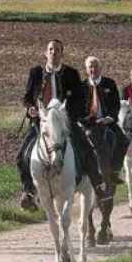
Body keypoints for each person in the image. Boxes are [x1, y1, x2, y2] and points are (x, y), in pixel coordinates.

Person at [17, 40, 107, 211]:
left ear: (62, 54)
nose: (54, 53)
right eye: (51, 50)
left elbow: (80, 100)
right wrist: (31, 109)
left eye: (57, 50)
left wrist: (66, 115)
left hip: (65, 123)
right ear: (46, 53)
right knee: (22, 154)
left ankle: (98, 184)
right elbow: (27, 97)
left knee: (86, 146)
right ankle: (28, 191)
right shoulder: (36, 73)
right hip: (41, 123)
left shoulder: (71, 74)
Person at [82, 56, 126, 184]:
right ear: (86, 69)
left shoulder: (109, 83)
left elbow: (116, 104)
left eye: (95, 66)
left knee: (123, 140)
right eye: (90, 66)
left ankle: (115, 171)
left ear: (100, 68)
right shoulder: (81, 86)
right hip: (89, 124)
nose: (93, 69)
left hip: (107, 122)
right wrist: (87, 120)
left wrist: (110, 118)